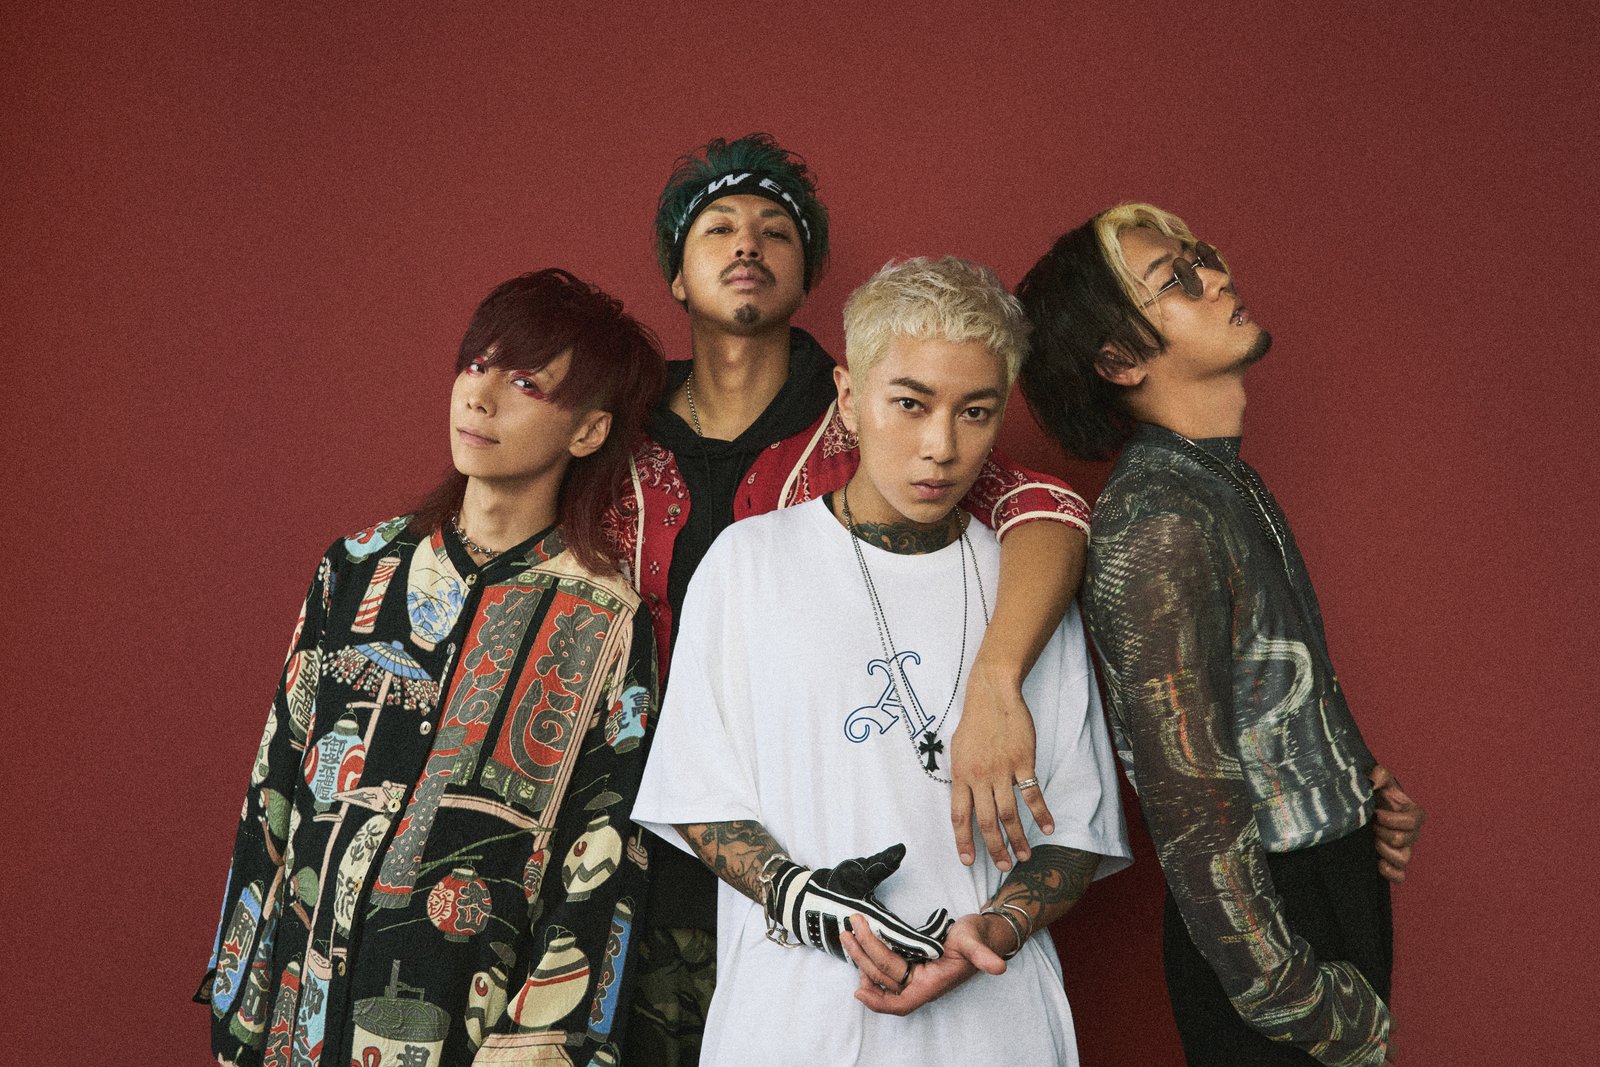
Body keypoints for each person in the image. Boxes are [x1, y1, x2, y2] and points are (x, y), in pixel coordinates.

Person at [615, 133, 1094, 1064]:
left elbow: (1048, 507)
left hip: (972, 1000)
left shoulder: (886, 426)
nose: (939, 443)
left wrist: (997, 678)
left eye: (775, 229)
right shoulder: (616, 435)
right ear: (674, 270)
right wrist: (796, 895)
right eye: (718, 226)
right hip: (656, 872)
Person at [198, 270, 666, 1067]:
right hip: (297, 1016)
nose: (479, 396)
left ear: (589, 431)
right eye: (476, 365)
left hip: (466, 1028)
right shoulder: (355, 568)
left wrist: (534, 1044)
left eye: (525, 383)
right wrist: (238, 1005)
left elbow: (605, 859)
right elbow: (272, 785)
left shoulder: (608, 620)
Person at [1015, 204, 1427, 1066]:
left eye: (1202, 256)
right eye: (1175, 278)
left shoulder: (1219, 480)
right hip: (1272, 938)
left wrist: (1349, 782)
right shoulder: (1156, 518)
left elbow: (1262, 687)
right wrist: (1301, 1002)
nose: (1216, 275)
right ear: (1118, 359)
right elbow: (1192, 812)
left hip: (1319, 887)